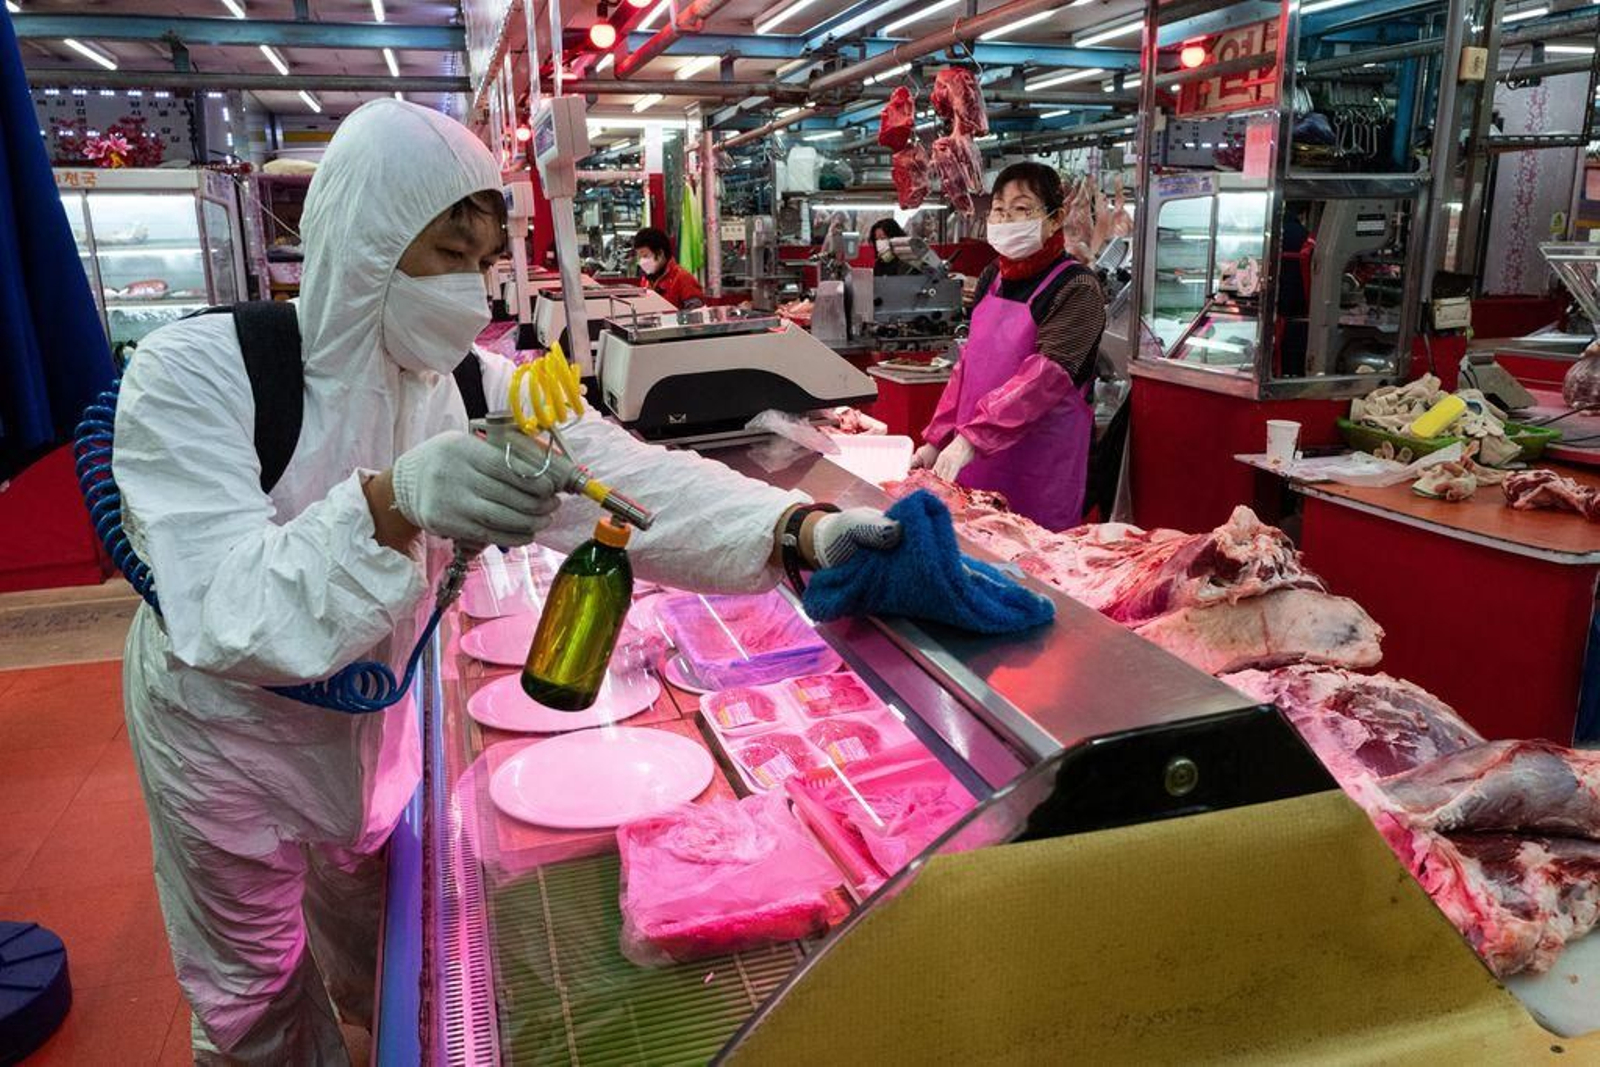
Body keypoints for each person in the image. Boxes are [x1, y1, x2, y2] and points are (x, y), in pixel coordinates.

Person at [113, 99, 897, 1065]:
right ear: (367, 239)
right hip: (226, 745)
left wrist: (795, 528)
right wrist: (392, 501)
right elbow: (224, 608)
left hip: (372, 721)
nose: (472, 289)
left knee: (374, 929)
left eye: (485, 259)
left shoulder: (469, 385)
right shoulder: (200, 374)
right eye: (449, 252)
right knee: (251, 990)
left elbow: (629, 478)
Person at [911, 162, 1106, 531]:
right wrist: (938, 439)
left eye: (1021, 209)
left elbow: (1044, 381)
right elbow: (967, 367)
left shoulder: (1077, 288)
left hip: (1039, 473)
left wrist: (970, 440)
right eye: (999, 210)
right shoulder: (993, 276)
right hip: (974, 465)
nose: (1005, 219)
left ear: (1055, 218)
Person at [632, 226, 705, 309]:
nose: (642, 261)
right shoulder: (646, 280)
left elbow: (696, 312)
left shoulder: (683, 278)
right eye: (640, 257)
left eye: (645, 256)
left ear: (660, 253)